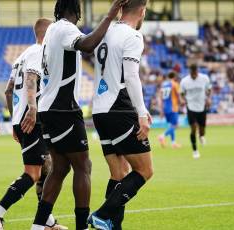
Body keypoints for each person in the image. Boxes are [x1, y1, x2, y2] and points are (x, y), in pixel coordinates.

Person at [31, 1, 127, 229]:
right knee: (84, 167)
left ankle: (37, 225)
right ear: (76, 11)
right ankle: (82, 227)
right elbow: (88, 44)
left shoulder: (52, 31)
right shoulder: (65, 27)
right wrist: (110, 15)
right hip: (63, 108)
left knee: (60, 168)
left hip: (48, 107)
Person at [0, 18, 67, 230]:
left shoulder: (21, 56)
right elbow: (31, 79)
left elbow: (9, 90)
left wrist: (14, 119)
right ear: (48, 34)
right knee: (33, 173)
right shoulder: (40, 52)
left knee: (47, 168)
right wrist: (31, 108)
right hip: (32, 119)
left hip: (25, 118)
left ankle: (47, 221)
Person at [88, 1, 153, 229]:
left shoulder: (105, 31)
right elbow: (131, 75)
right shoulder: (133, 36)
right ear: (142, 11)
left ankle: (113, 226)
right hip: (118, 106)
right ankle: (102, 214)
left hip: (100, 110)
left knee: (119, 173)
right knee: (144, 170)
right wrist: (142, 113)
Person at [180, 64, 212, 159]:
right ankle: (195, 150)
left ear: (197, 71)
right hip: (191, 107)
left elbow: (209, 89)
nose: (194, 75)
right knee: (193, 128)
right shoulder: (184, 81)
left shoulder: (204, 78)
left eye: (195, 73)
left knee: (202, 131)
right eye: (192, 73)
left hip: (202, 107)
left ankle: (201, 136)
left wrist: (208, 98)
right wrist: (182, 100)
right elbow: (182, 94)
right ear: (190, 72)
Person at [157, 71, 182, 148]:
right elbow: (178, 96)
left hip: (165, 107)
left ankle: (173, 143)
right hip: (173, 107)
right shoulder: (175, 84)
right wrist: (181, 102)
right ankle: (162, 136)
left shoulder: (164, 85)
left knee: (171, 125)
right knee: (176, 125)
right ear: (174, 77)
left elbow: (160, 98)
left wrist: (161, 110)